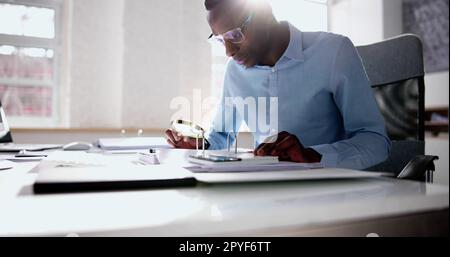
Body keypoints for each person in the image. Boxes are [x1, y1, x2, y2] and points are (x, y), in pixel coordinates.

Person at [166, 0, 391, 170]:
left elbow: (375, 141)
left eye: (234, 35)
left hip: (331, 192)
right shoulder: (234, 72)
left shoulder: (333, 52)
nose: (228, 51)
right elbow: (221, 137)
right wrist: (199, 147)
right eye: (220, 39)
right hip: (265, 191)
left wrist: (313, 155)